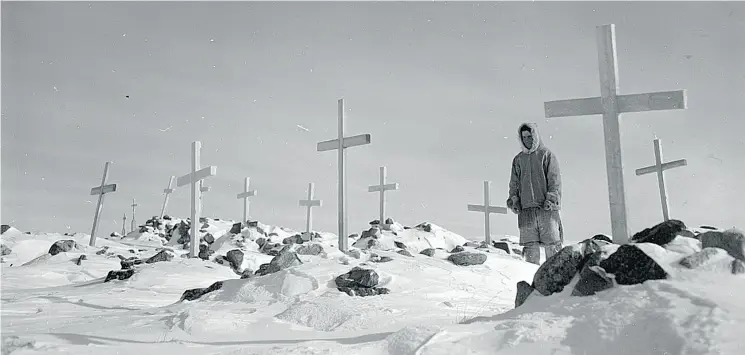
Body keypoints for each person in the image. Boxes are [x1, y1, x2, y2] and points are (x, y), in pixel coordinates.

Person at [506, 122, 563, 265]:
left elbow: (554, 179)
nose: (527, 140)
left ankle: (558, 284)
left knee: (553, 247)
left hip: (546, 209)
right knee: (530, 251)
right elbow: (514, 183)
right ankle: (534, 284)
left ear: (535, 136)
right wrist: (514, 200)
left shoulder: (546, 155)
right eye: (524, 137)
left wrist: (551, 199)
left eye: (529, 136)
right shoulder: (518, 160)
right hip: (526, 211)